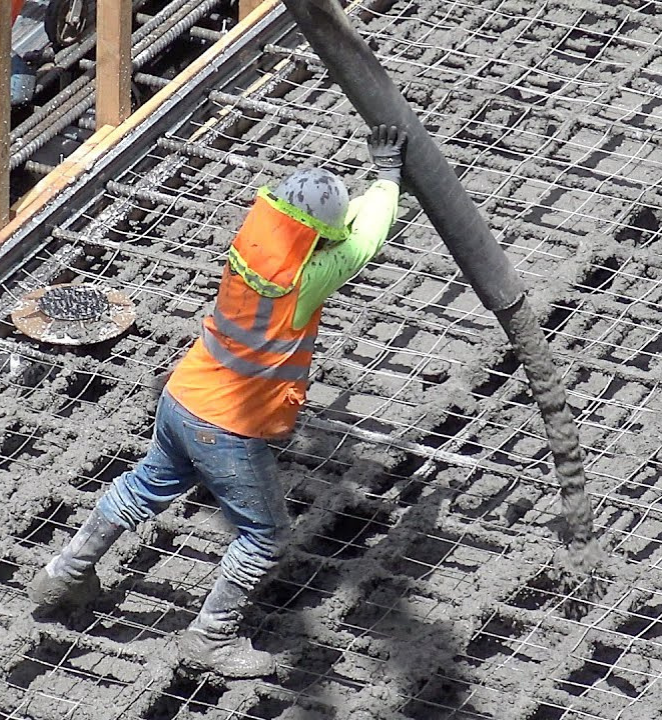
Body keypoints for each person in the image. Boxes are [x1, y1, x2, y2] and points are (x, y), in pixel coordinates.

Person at [28, 124, 408, 678]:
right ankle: (210, 637)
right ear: (318, 239)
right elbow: (365, 240)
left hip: (183, 397)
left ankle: (67, 569)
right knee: (265, 534)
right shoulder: (310, 278)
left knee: (143, 488)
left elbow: (330, 236)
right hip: (228, 427)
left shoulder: (253, 248)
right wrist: (388, 177)